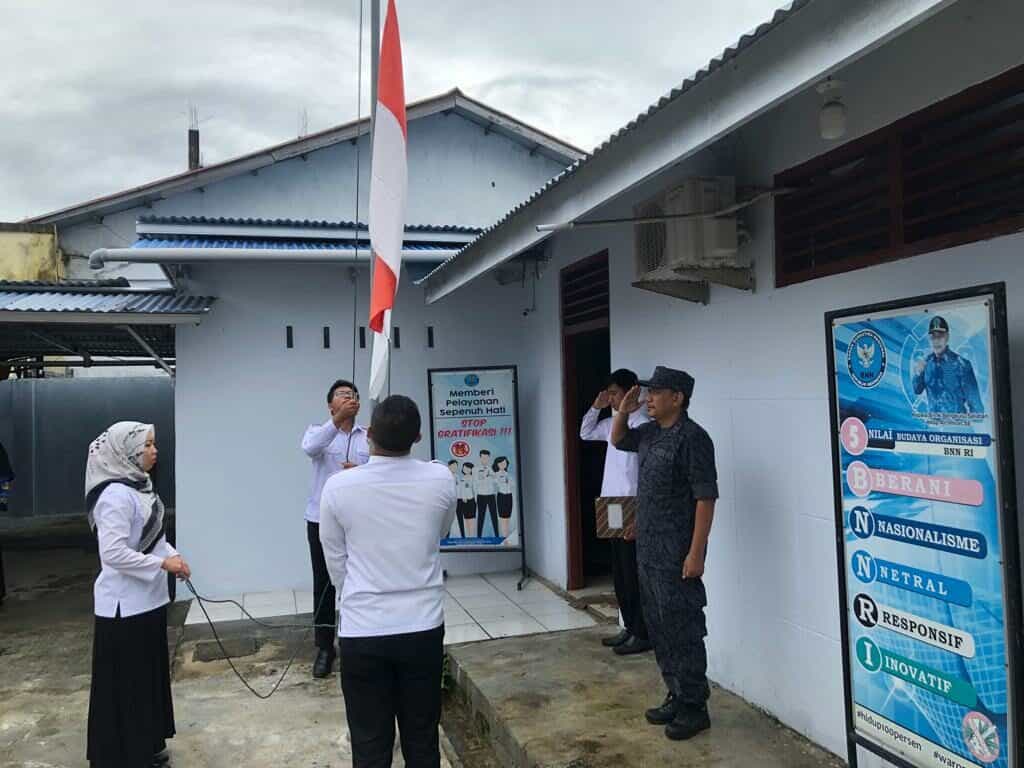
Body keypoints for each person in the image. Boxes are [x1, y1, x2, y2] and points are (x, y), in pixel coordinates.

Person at [319, 395, 456, 768]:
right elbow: (439, 532)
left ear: (369, 436)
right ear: (418, 436)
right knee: (422, 739)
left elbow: (336, 561)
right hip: (423, 627)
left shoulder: (337, 487)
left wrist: (357, 596)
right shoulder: (440, 478)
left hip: (363, 630)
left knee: (369, 745)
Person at [612, 366, 718, 741]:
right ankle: (676, 692)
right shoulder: (650, 433)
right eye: (648, 391)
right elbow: (618, 439)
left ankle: (695, 707)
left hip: (677, 555)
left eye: (657, 392)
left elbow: (705, 498)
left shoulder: (693, 438)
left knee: (684, 629)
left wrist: (697, 553)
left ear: (678, 397)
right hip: (649, 551)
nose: (649, 398)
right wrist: (624, 409)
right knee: (658, 626)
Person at [85, 422, 190, 768]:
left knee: (146, 680)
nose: (154, 450)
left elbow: (156, 535)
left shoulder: (142, 486)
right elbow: (112, 554)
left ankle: (147, 744)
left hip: (148, 602)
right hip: (123, 608)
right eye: (147, 445)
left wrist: (173, 556)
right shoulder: (115, 496)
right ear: (127, 452)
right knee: (128, 685)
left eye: (153, 444)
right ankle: (128, 755)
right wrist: (163, 564)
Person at [579, 368, 652, 656]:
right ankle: (629, 626)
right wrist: (595, 407)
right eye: (608, 393)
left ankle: (642, 632)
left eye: (614, 393)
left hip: (632, 502)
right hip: (611, 503)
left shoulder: (642, 424)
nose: (611, 398)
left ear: (631, 392)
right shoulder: (612, 423)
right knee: (619, 571)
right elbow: (584, 433)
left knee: (633, 570)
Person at [300, 379, 370, 678]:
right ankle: (325, 647)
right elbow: (309, 448)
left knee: (363, 579)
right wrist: (337, 421)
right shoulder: (319, 432)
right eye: (342, 395)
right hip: (321, 520)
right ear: (331, 405)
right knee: (325, 584)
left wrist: (361, 472)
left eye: (352, 395)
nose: (349, 397)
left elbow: (381, 468)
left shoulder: (369, 437)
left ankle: (361, 639)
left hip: (359, 521)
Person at [912, 316, 984, 414]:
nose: (936, 341)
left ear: (947, 337)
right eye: (933, 337)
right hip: (933, 426)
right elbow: (917, 390)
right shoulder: (926, 363)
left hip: (956, 426)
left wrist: (971, 427)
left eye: (940, 336)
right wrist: (918, 373)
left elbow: (976, 406)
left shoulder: (962, 365)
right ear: (929, 339)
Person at [474, 449, 499, 537]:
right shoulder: (475, 469)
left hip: (491, 495)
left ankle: (497, 535)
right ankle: (479, 536)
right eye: (483, 458)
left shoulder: (491, 468)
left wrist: (492, 476)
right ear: (480, 458)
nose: (485, 460)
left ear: (489, 458)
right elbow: (476, 481)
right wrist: (485, 475)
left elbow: (496, 481)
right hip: (481, 495)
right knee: (481, 516)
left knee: (494, 515)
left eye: (487, 458)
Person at [493, 456, 514, 540]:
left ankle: (507, 536)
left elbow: (512, 485)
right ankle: (504, 537)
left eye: (504, 463)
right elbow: (496, 484)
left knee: (508, 517)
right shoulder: (495, 474)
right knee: (502, 518)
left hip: (509, 496)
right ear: (497, 464)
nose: (503, 464)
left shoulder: (508, 474)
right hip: (501, 496)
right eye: (501, 463)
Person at [458, 463, 477, 539]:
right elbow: (460, 490)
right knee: (466, 520)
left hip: (471, 501)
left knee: (471, 520)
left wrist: (475, 500)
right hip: (463, 502)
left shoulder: (473, 478)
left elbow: (475, 489)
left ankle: (472, 536)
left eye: (468, 468)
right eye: (465, 468)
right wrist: (463, 497)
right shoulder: (461, 478)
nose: (466, 470)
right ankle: (468, 537)